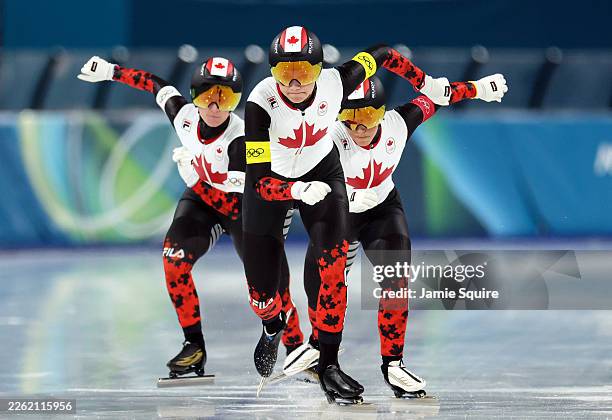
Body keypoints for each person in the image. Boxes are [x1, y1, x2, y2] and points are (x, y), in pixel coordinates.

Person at [242, 25, 457, 403]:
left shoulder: (336, 84)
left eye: (304, 73)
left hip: (322, 174)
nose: (294, 84)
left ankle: (328, 365)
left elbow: (384, 53)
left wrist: (425, 82)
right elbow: (259, 183)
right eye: (283, 74)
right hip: (272, 185)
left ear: (319, 70)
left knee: (333, 266)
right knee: (263, 294)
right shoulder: (260, 103)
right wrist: (295, 190)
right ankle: (272, 324)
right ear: (271, 74)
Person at [77, 55, 304, 380]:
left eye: (225, 98)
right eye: (206, 96)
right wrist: (113, 72)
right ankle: (193, 345)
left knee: (274, 288)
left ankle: (295, 346)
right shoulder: (182, 116)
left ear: (235, 102)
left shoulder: (245, 136)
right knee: (174, 261)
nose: (214, 106)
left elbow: (257, 180)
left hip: (244, 208)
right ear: (194, 97)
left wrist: (198, 175)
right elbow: (156, 85)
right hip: (203, 202)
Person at [288, 74, 507, 398]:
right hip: (339, 217)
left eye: (368, 118)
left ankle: (393, 364)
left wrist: (479, 89)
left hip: (382, 212)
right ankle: (323, 353)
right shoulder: (327, 136)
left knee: (395, 283)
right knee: (320, 286)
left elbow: (439, 96)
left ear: (383, 113)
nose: (359, 129)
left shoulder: (399, 123)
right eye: (350, 119)